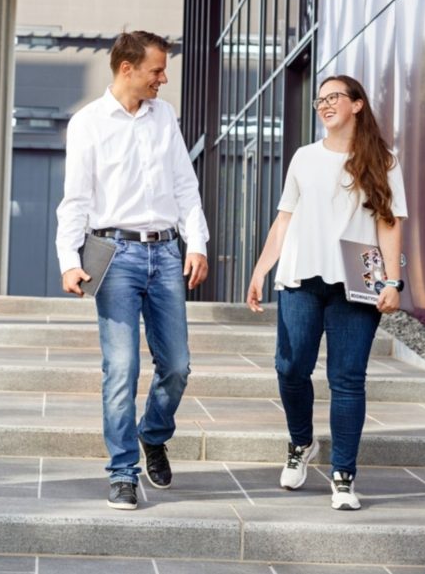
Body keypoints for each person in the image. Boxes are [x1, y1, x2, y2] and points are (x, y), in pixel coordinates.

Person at [56, 30, 209, 511]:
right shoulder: (88, 123)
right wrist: (68, 261)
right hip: (114, 254)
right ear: (127, 69)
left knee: (178, 366)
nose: (163, 79)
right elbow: (76, 199)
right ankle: (123, 471)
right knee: (121, 368)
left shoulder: (164, 117)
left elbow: (185, 186)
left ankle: (153, 434)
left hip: (165, 254)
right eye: (156, 70)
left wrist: (197, 243)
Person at [246, 74, 407, 511]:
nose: (324, 104)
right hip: (301, 274)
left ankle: (343, 476)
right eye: (320, 100)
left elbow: (389, 223)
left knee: (348, 379)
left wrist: (392, 282)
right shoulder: (304, 157)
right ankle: (301, 442)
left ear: (357, 105)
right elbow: (284, 218)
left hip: (359, 274)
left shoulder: (383, 161)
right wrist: (262, 269)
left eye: (333, 97)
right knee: (292, 366)